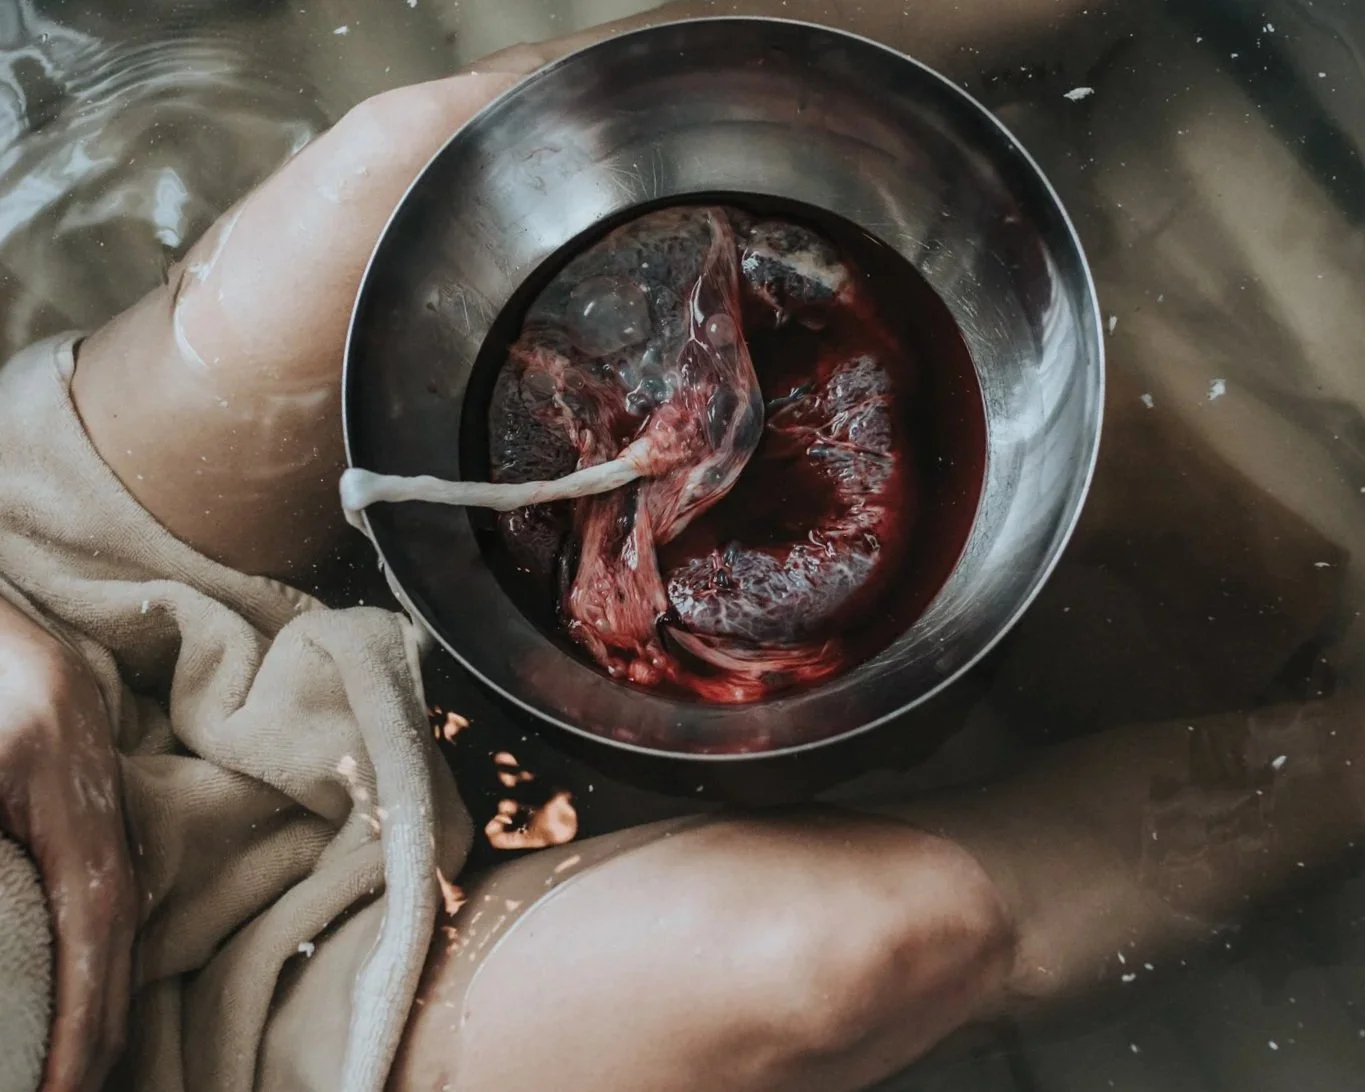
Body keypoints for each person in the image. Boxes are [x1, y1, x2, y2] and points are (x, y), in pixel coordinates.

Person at [2, 20, 1363, 1092]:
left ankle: (1010, 38)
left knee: (421, 157)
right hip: (204, 1057)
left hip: (52, 587)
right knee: (845, 961)